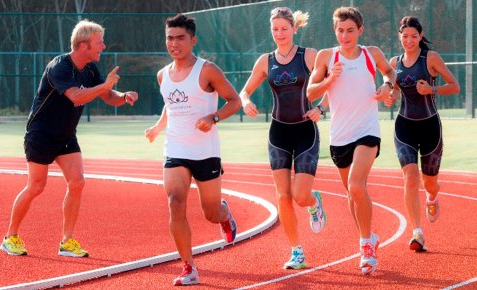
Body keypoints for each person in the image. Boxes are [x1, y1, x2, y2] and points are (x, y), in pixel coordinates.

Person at [0, 19, 139, 258]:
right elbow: (76, 96)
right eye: (99, 42)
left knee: (77, 182)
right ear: (83, 45)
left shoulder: (91, 69)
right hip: (41, 134)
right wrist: (104, 86)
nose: (103, 46)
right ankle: (10, 237)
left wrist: (122, 95)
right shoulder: (59, 67)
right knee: (36, 186)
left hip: (66, 135)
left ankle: (67, 241)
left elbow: (107, 95)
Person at [144, 13, 241, 286]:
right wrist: (156, 128)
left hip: (205, 152)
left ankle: (224, 213)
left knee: (210, 213)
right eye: (170, 38)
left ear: (192, 40)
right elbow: (170, 106)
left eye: (180, 38)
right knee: (175, 203)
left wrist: (214, 117)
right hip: (175, 149)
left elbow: (234, 100)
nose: (174, 43)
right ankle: (189, 267)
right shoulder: (163, 75)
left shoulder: (207, 70)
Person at [307, 6, 396, 275]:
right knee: (351, 192)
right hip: (340, 136)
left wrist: (387, 87)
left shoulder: (372, 54)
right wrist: (329, 79)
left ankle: (366, 246)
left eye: (350, 31)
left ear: (360, 30)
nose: (345, 36)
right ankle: (369, 238)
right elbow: (311, 92)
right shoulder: (326, 57)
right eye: (340, 31)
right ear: (335, 31)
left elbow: (390, 74)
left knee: (357, 186)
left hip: (367, 130)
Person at [239, 7, 326, 270]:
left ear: (294, 29)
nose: (279, 34)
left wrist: (321, 107)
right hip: (278, 133)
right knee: (283, 195)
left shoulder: (309, 56)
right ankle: (296, 251)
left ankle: (314, 202)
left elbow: (332, 81)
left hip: (305, 131)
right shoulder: (265, 61)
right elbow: (245, 90)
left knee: (300, 195)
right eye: (275, 29)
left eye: (284, 29)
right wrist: (245, 101)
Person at [388, 16, 460, 252]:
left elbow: (454, 85)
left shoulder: (431, 58)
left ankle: (431, 197)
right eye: (405, 36)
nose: (409, 40)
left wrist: (432, 89)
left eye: (414, 36)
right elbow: (394, 91)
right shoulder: (393, 62)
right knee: (410, 176)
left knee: (430, 183)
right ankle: (417, 232)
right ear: (400, 36)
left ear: (420, 37)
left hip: (429, 127)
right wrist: (390, 95)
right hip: (404, 127)